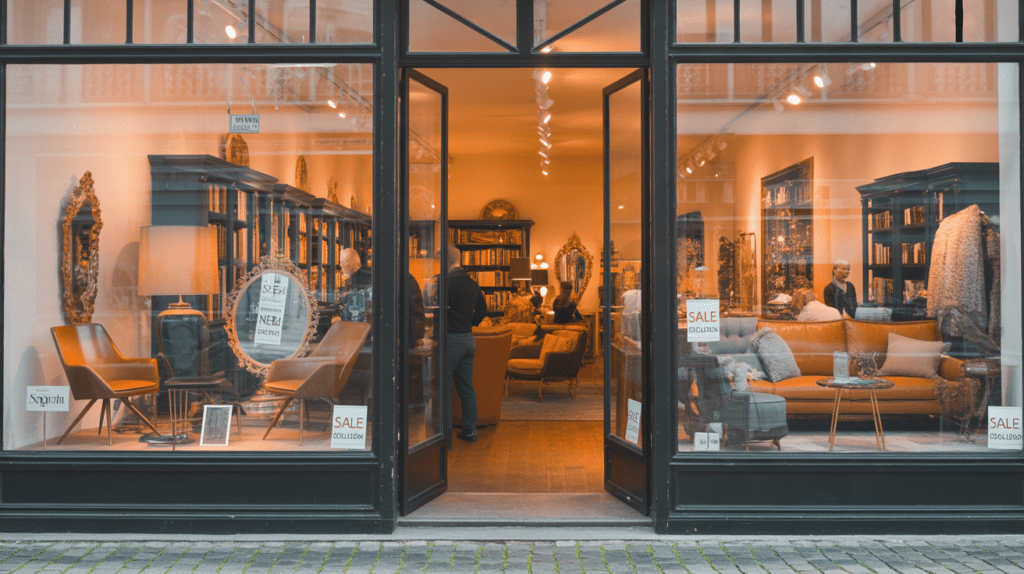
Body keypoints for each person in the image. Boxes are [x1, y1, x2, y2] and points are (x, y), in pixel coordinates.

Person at [444, 244, 487, 442]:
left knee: (440, 386)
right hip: (469, 339)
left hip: (451, 339)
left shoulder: (446, 283)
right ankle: (470, 431)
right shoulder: (472, 283)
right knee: (467, 388)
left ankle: (441, 434)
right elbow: (482, 310)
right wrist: (470, 323)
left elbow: (440, 312)